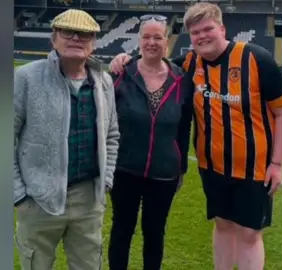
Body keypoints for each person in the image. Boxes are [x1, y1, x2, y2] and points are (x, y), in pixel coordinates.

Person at [109, 3, 282, 270]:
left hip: (255, 167)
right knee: (223, 225)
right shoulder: (190, 63)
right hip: (212, 166)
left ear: (222, 28)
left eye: (207, 29)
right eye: (195, 32)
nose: (202, 36)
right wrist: (124, 59)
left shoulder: (257, 59)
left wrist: (276, 164)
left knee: (250, 234)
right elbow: (153, 62)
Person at [13, 9, 120, 270]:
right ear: (54, 39)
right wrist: (18, 194)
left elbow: (112, 135)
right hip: (38, 199)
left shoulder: (103, 81)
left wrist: (105, 179)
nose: (76, 38)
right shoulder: (26, 77)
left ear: (93, 41)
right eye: (67, 32)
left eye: (84, 33)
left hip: (87, 200)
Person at [108, 14, 193, 270]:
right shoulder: (121, 74)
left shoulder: (182, 80)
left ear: (167, 41)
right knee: (122, 229)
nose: (152, 42)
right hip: (124, 168)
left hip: (164, 172)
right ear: (139, 40)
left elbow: (184, 127)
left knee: (155, 234)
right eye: (146, 36)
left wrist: (181, 168)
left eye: (158, 37)